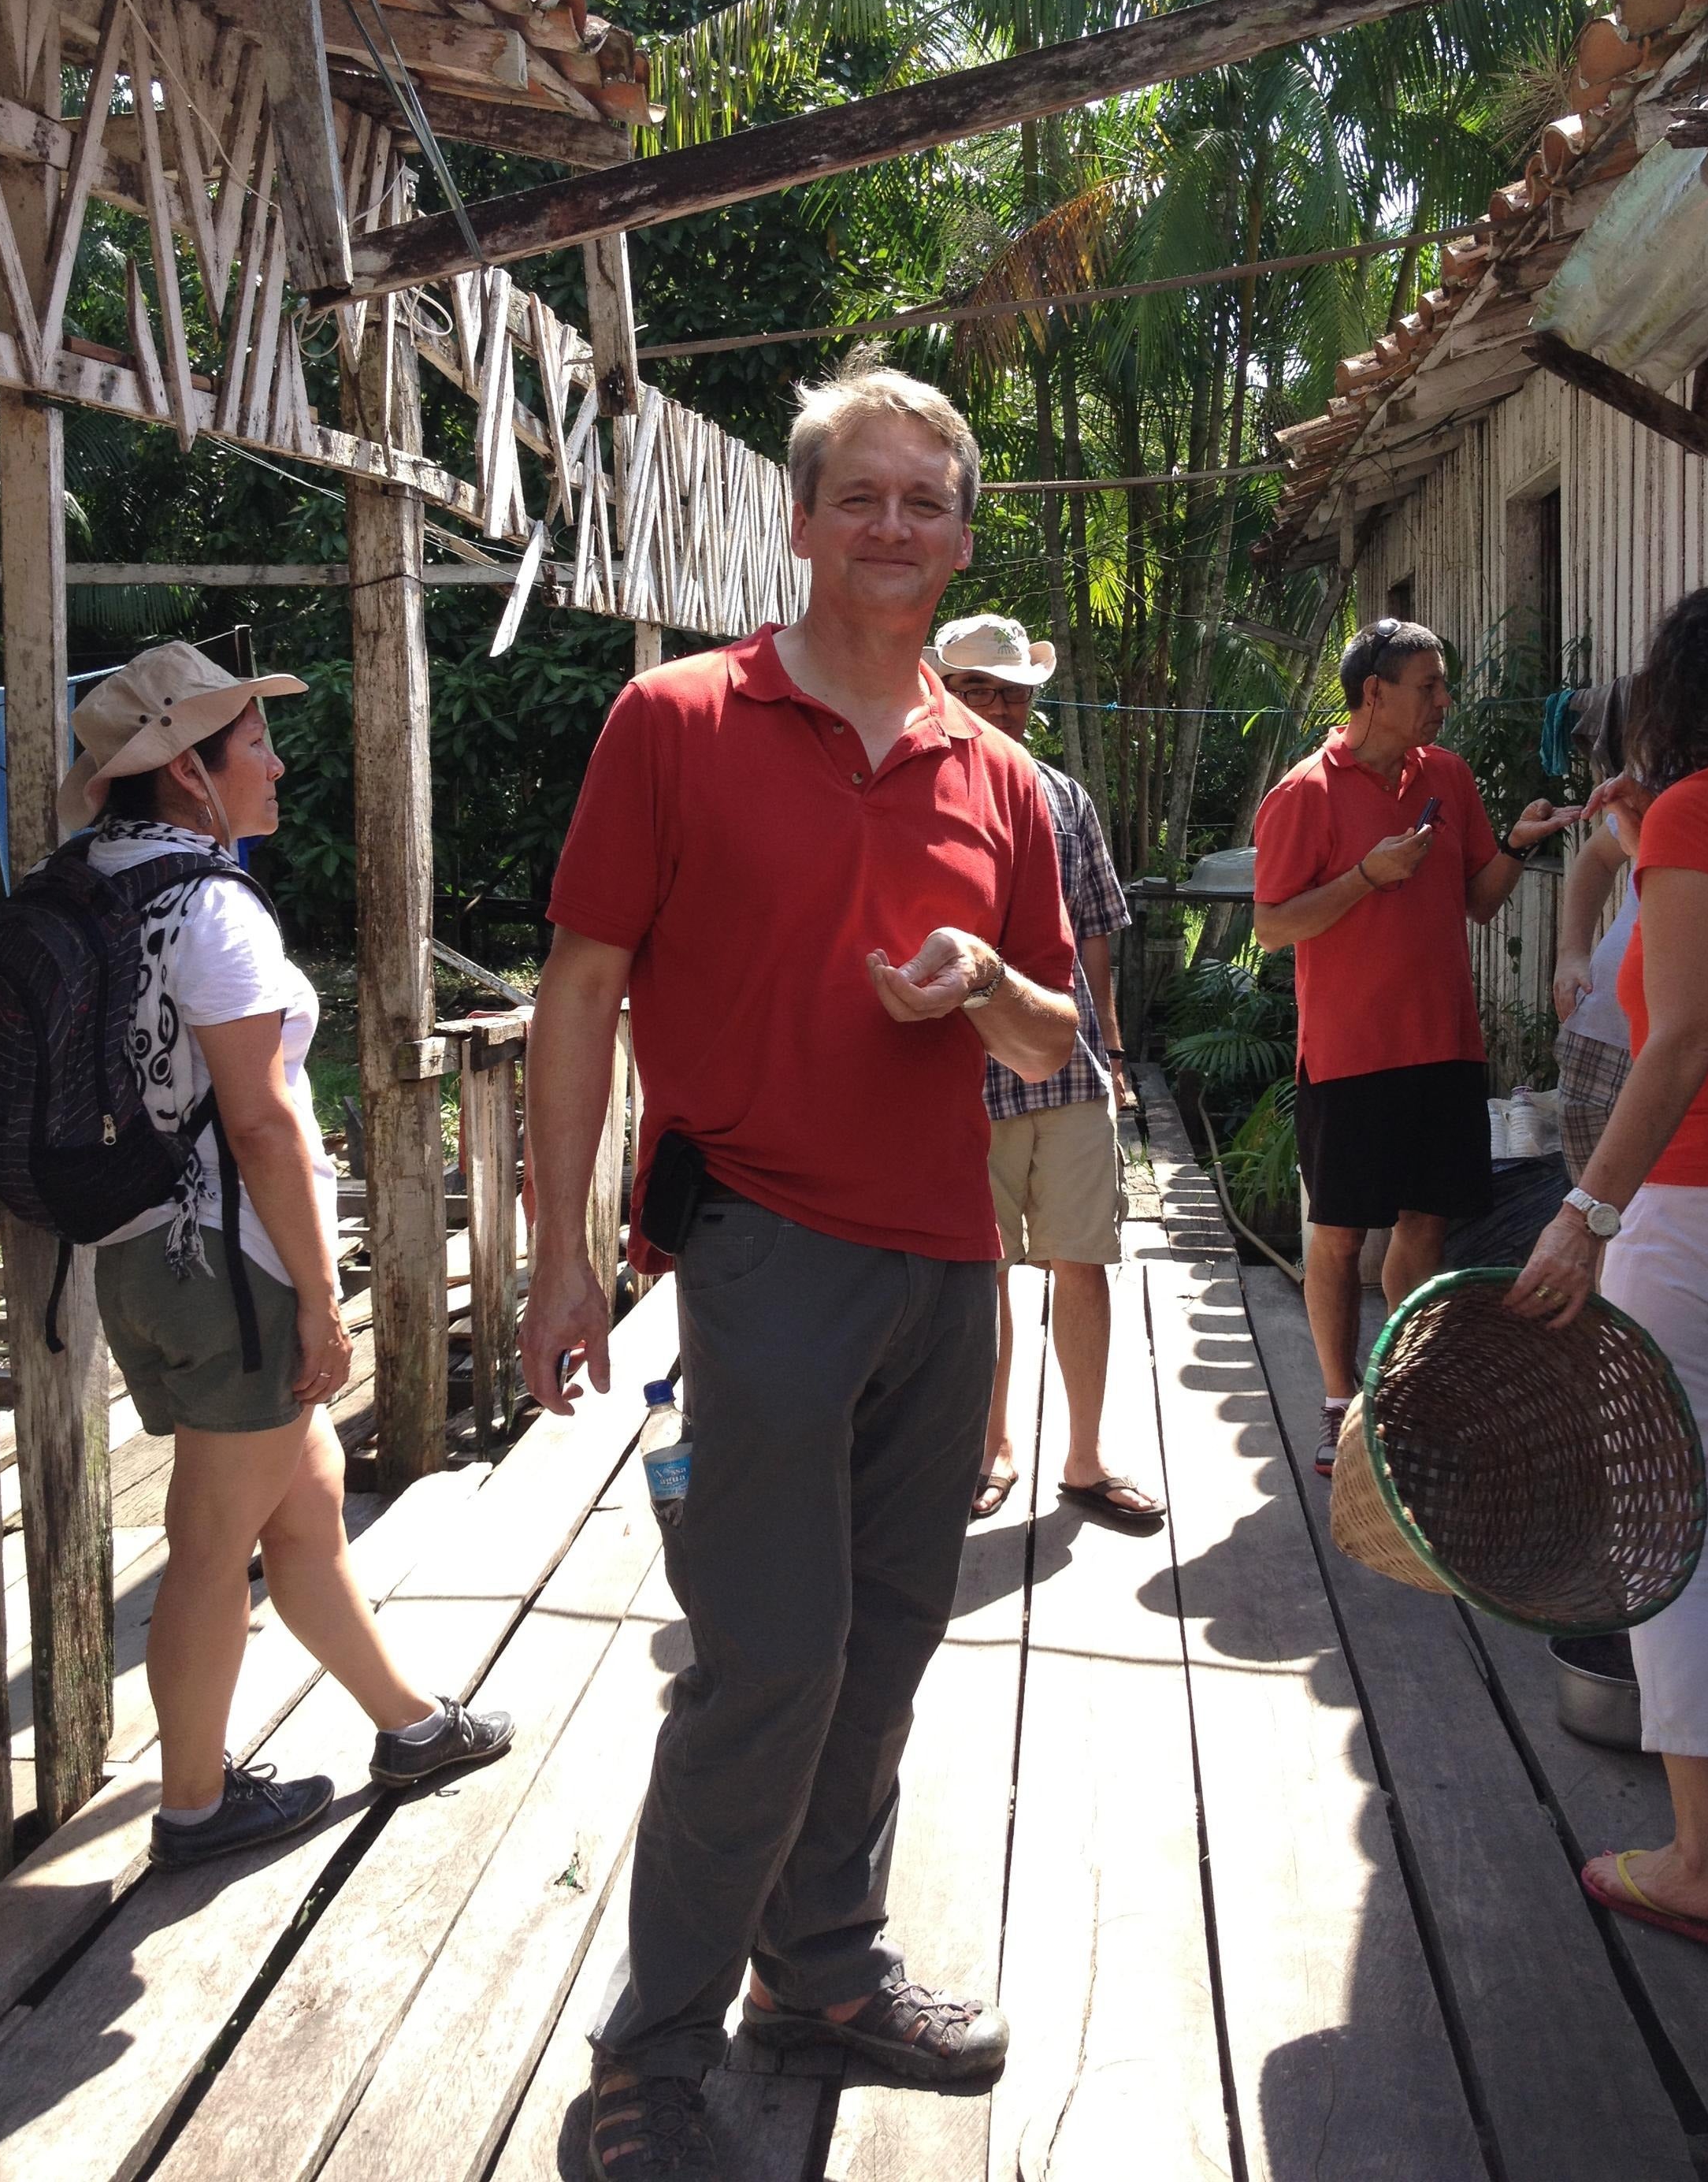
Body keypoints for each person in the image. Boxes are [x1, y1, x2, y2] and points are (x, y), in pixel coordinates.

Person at [518, 356, 1078, 2182]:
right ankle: (646, 2055)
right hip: (757, 1246)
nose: (897, 526)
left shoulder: (998, 774)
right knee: (767, 1659)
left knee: (891, 1642)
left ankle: (818, 1973)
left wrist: (980, 984)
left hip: (946, 1263)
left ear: (962, 530)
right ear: (801, 517)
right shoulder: (675, 722)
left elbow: (1057, 1031)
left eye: (929, 499)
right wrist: (560, 1260)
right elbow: (582, 990)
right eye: (865, 495)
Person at [61, 642, 511, 1872]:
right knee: (212, 1545)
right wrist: (322, 1298)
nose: (275, 761)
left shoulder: (87, 876)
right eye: (251, 742)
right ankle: (193, 1812)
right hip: (240, 1270)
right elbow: (261, 1122)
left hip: (139, 1253)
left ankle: (409, 1725)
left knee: (303, 1506)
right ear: (188, 774)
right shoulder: (211, 906)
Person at [1509, 581, 1708, 1952]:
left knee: (1674, 1521)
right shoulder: (1684, 823)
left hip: (1705, 1201)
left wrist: (1586, 1213)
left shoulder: (1697, 813)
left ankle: (1705, 1860)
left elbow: (1682, 1036)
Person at [1253, 616, 1579, 1474]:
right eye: (1429, 685)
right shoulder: (1303, 794)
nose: (1444, 701)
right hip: (1351, 1053)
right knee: (1338, 1234)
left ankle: (1407, 1385)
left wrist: (1513, 843)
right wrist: (1367, 877)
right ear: (1375, 694)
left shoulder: (1448, 776)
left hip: (1444, 1043)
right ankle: (1336, 1400)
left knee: (1426, 1222)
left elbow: (1477, 901)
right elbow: (1273, 926)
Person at [926, 614, 1162, 1530]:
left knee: (1084, 1260)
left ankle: (1087, 1456)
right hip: (956, 1076)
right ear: (943, 689)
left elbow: (1094, 931)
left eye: (1014, 691)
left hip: (1066, 1073)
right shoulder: (918, 792)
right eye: (979, 689)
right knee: (975, 1270)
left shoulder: (1063, 796)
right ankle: (988, 1447)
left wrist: (1109, 1052)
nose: (1000, 706)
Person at [1552, 822, 1636, 1183]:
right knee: (1593, 1220)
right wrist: (1572, 952)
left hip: (1707, 1053)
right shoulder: (1669, 770)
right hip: (1602, 1039)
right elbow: (1600, 855)